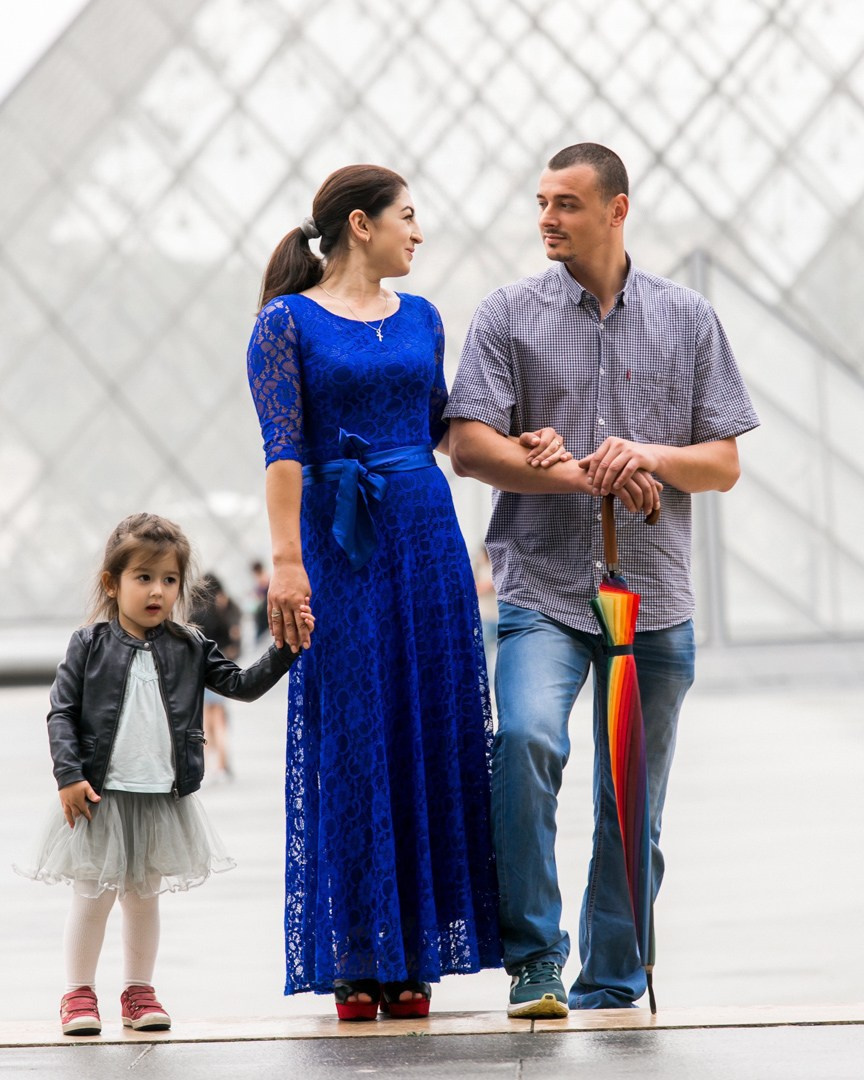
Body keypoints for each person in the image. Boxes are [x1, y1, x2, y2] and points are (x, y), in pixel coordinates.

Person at [445, 142, 759, 1016]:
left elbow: (723, 463)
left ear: (617, 210)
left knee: (631, 802)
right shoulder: (506, 314)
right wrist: (573, 468)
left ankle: (613, 981)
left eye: (567, 204)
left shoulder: (690, 317)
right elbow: (471, 447)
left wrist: (647, 455)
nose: (547, 217)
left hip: (654, 602)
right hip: (541, 587)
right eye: (542, 202)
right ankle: (536, 959)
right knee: (527, 742)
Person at [245, 164, 565, 1021]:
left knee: (429, 724)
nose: (418, 234)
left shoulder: (423, 318)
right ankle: (357, 955)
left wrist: (521, 441)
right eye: (408, 218)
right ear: (361, 225)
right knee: (353, 732)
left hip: (424, 538)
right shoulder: (283, 323)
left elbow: (445, 433)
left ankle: (412, 950)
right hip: (337, 544)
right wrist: (286, 560)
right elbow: (282, 450)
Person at [14, 513, 311, 1036]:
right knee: (92, 896)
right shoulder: (88, 644)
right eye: (144, 578)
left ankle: (138, 991)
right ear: (113, 582)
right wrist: (67, 775)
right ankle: (78, 995)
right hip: (99, 794)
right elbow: (61, 712)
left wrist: (286, 650)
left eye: (169, 580)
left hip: (159, 795)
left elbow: (240, 685)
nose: (158, 591)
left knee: (143, 898)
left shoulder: (190, 645)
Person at [189, 572, 243, 781]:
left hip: (199, 672)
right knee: (219, 720)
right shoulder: (223, 611)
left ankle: (209, 764)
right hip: (221, 669)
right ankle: (222, 764)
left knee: (205, 721)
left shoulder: (194, 613)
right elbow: (234, 638)